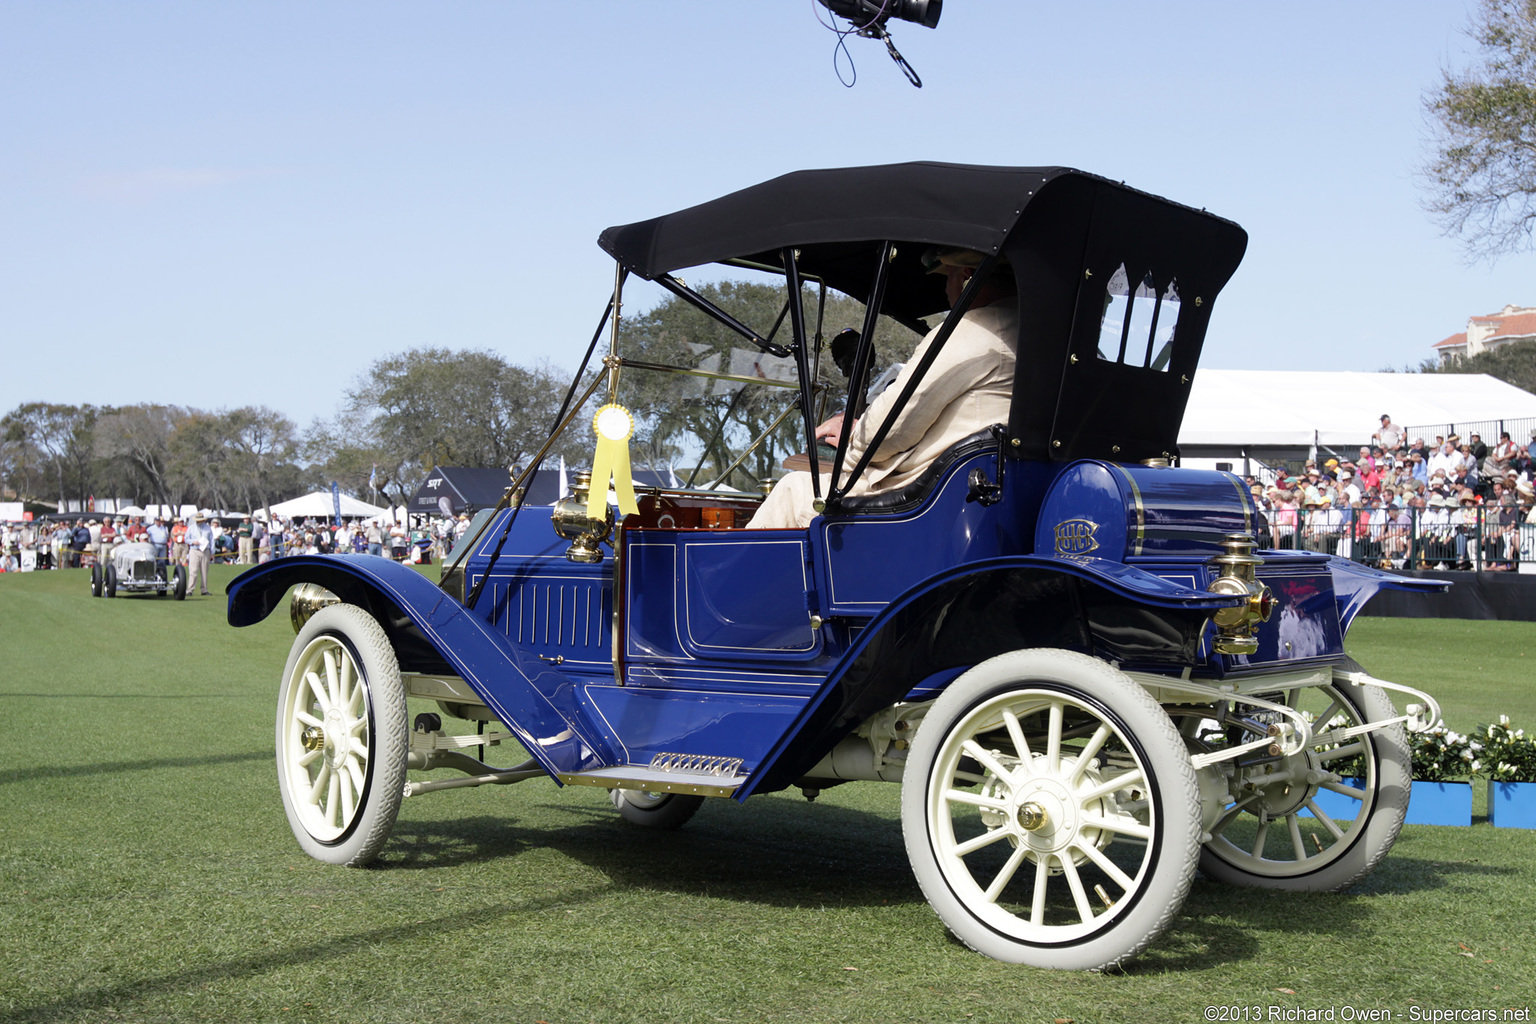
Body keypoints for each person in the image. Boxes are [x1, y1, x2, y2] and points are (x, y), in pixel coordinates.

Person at [748, 246, 1018, 529]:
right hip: (987, 492)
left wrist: (848, 445)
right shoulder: (1038, 335)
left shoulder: (969, 331)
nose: (947, 291)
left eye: (947, 277)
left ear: (967, 276)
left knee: (793, 490)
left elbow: (889, 431)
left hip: (933, 501)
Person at [184, 512, 214, 595]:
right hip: (194, 550)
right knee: (193, 571)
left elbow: (212, 540)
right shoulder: (191, 528)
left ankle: (204, 590)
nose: (199, 521)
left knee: (204, 571)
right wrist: (193, 542)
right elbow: (186, 539)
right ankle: (190, 590)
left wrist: (212, 552)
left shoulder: (208, 528)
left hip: (205, 550)